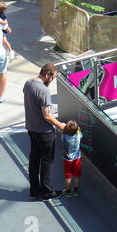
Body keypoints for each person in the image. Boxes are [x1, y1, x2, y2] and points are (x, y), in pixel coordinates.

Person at [24, 64, 66, 200]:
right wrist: (61, 125)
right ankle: (47, 191)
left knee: (34, 159)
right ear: (47, 74)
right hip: (45, 132)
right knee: (47, 161)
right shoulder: (43, 90)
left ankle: (34, 189)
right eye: (52, 78)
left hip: (31, 128)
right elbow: (47, 115)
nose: (52, 81)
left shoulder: (28, 83)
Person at [62, 120, 83, 196]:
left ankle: (68, 192)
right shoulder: (78, 135)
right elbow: (79, 131)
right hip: (77, 159)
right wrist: (77, 129)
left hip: (67, 160)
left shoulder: (64, 136)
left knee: (68, 176)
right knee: (76, 175)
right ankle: (76, 191)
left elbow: (63, 135)